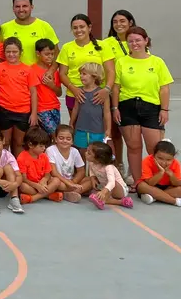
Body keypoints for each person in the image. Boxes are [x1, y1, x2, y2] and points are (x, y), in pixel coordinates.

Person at [112, 26, 173, 184]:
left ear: (146, 41)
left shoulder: (157, 62)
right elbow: (116, 87)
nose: (134, 43)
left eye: (138, 40)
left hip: (151, 108)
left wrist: (164, 109)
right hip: (127, 107)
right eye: (130, 41)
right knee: (133, 147)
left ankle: (159, 181)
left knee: (155, 148)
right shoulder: (121, 62)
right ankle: (138, 182)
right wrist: (115, 108)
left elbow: (164, 88)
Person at [57, 14, 114, 122]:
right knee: (77, 128)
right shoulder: (66, 47)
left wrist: (106, 89)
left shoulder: (103, 46)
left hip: (97, 95)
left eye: (82, 27)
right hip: (74, 95)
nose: (78, 30)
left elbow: (110, 71)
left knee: (97, 130)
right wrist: (74, 89)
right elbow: (62, 74)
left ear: (89, 27)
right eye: (75, 28)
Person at [104, 10, 137, 181]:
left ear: (130, 22)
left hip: (133, 93)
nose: (119, 24)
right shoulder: (107, 43)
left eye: (122, 21)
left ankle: (134, 168)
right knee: (115, 133)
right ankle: (119, 165)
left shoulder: (137, 40)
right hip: (114, 93)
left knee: (132, 135)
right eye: (115, 21)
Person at [0, 37, 39, 155]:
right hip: (4, 110)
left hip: (23, 112)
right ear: (4, 52)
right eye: (8, 52)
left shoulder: (28, 70)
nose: (11, 54)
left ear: (21, 52)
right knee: (5, 142)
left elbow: (33, 92)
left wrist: (34, 114)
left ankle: (18, 170)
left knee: (19, 142)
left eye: (14, 52)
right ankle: (4, 169)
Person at [0, 0, 59, 66]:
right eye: (17, 6)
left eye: (25, 6)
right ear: (13, 8)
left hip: (38, 76)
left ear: (32, 7)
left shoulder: (44, 26)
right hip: (13, 76)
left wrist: (51, 71)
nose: (21, 9)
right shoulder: (4, 28)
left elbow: (56, 54)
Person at [137, 140, 181, 209]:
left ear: (173, 158)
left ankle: (155, 197)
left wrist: (171, 175)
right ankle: (176, 202)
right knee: (141, 186)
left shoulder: (176, 163)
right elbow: (150, 183)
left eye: (168, 160)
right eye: (160, 158)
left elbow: (178, 184)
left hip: (167, 188)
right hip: (151, 186)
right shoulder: (147, 161)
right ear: (154, 155)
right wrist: (161, 172)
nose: (164, 163)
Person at [71, 63, 111, 157]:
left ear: (94, 76)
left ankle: (93, 172)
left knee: (96, 154)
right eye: (80, 74)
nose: (81, 76)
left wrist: (108, 129)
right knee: (82, 153)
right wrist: (71, 123)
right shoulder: (79, 91)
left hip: (97, 130)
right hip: (81, 129)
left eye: (84, 74)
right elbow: (75, 108)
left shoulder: (102, 94)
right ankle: (83, 171)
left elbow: (107, 112)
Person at [17, 127, 63, 203]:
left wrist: (43, 181)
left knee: (56, 180)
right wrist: (36, 185)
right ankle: (49, 195)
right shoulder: (22, 158)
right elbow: (24, 179)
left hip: (42, 184)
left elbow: (47, 174)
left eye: (44, 146)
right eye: (41, 146)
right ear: (30, 145)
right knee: (22, 186)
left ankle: (33, 198)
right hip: (30, 185)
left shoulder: (44, 156)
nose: (44, 148)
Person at [46, 124, 91, 202]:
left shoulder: (74, 151)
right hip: (59, 181)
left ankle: (68, 193)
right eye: (61, 138)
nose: (64, 141)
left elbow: (81, 171)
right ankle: (72, 192)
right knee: (55, 182)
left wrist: (73, 182)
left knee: (91, 180)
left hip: (71, 180)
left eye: (68, 139)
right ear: (56, 139)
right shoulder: (50, 150)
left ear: (72, 141)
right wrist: (69, 184)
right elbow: (54, 173)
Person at [86, 141, 133, 209]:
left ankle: (120, 201)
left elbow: (112, 182)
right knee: (90, 189)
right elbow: (92, 169)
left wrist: (104, 191)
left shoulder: (108, 167)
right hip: (106, 187)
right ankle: (108, 199)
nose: (86, 153)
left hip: (120, 190)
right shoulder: (92, 162)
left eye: (89, 153)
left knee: (114, 183)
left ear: (98, 159)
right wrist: (92, 177)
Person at [33, 39, 63, 135]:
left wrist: (51, 85)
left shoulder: (54, 71)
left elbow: (59, 93)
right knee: (55, 135)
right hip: (41, 110)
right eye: (47, 54)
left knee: (54, 137)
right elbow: (29, 94)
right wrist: (33, 112)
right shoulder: (31, 70)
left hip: (55, 108)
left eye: (52, 54)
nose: (50, 57)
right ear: (38, 53)